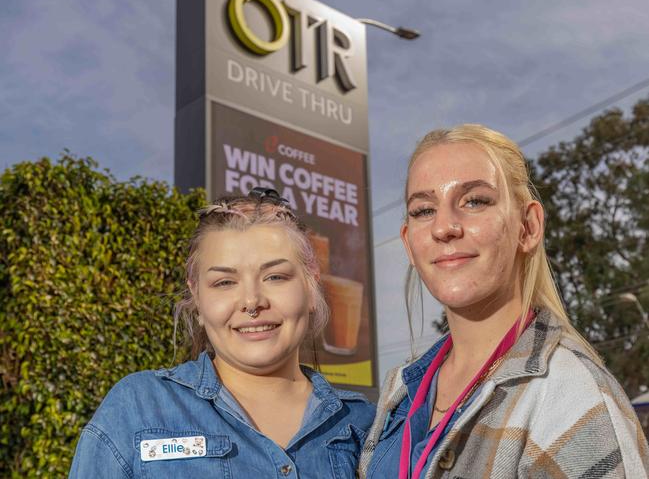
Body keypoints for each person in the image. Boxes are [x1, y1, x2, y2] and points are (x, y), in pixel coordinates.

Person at [359, 125, 649, 478]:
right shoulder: (399, 390)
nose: (444, 227)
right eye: (423, 210)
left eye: (475, 201)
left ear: (527, 227)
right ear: (409, 244)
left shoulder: (572, 397)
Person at [69, 188, 375, 478]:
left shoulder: (367, 425)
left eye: (276, 276)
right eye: (225, 282)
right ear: (198, 298)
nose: (252, 301)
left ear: (311, 286)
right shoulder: (137, 407)